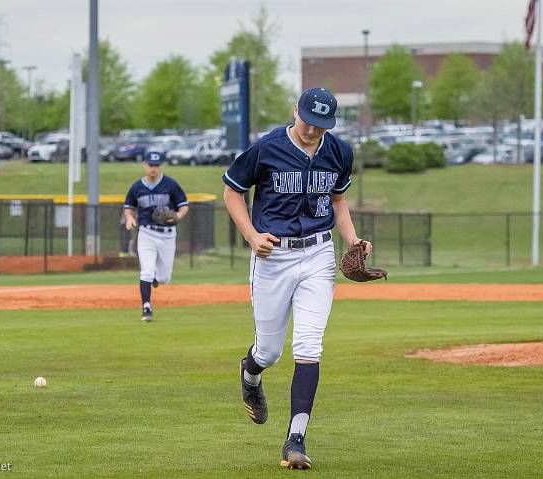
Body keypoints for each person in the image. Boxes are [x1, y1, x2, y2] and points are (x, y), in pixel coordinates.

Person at [222, 87, 372, 469]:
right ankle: (250, 372)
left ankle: (296, 439)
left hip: (319, 254)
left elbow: (337, 200)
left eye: (321, 125)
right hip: (273, 257)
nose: (312, 131)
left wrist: (352, 239)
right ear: (295, 111)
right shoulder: (267, 148)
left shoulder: (338, 151)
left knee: (309, 346)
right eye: (308, 121)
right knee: (269, 352)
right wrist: (251, 236)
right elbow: (232, 192)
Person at [123, 151, 189, 322]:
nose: (153, 168)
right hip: (146, 233)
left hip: (167, 235)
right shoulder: (137, 187)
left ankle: (155, 279)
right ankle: (146, 306)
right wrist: (129, 218)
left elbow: (184, 206)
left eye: (157, 165)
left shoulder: (170, 184)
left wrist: (177, 217)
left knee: (164, 278)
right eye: (151, 165)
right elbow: (128, 206)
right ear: (144, 165)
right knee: (146, 270)